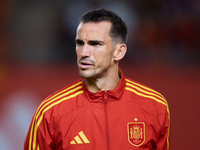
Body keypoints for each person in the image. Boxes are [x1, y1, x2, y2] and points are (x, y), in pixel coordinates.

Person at [24, 8, 170, 150]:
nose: (84, 52)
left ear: (119, 52)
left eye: (95, 44)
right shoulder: (51, 112)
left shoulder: (154, 106)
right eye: (80, 43)